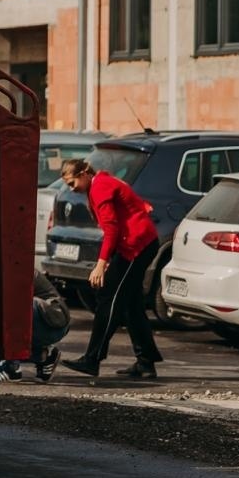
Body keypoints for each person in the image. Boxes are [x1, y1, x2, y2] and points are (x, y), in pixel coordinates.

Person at [57, 157, 164, 379]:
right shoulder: (100, 183)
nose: (72, 189)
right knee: (131, 304)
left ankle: (92, 359)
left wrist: (101, 264)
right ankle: (146, 361)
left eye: (72, 183)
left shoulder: (100, 187)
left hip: (136, 246)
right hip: (139, 243)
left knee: (109, 298)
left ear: (84, 174)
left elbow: (112, 229)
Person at [0, 272, 71, 383]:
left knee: (11, 303)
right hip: (47, 321)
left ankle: (11, 367)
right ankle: (44, 356)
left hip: (53, 322)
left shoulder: (13, 266)